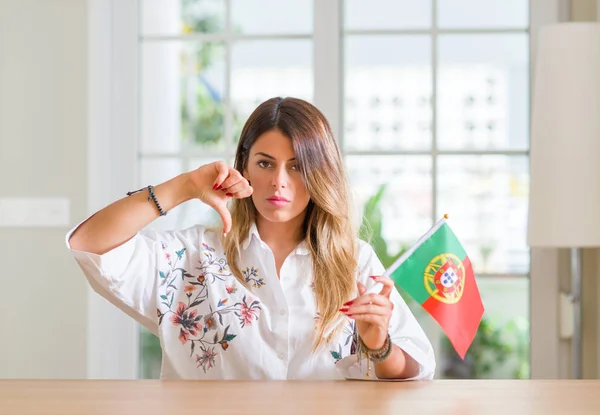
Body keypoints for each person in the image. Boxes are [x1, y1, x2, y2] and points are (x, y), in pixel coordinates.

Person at [66, 97, 435, 380]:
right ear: (243, 164)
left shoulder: (353, 261)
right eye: (265, 163)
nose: (279, 181)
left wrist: (379, 344)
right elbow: (90, 243)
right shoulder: (192, 255)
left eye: (297, 166)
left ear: (321, 173)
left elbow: (410, 373)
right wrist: (184, 186)